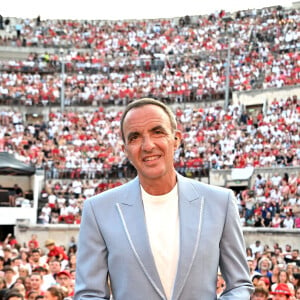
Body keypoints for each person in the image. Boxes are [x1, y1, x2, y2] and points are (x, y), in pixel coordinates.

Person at [74, 98, 253, 300]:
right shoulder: (98, 210)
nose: (148, 145)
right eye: (134, 137)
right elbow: (89, 294)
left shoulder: (220, 202)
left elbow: (239, 285)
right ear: (126, 150)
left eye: (157, 132)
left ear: (176, 139)